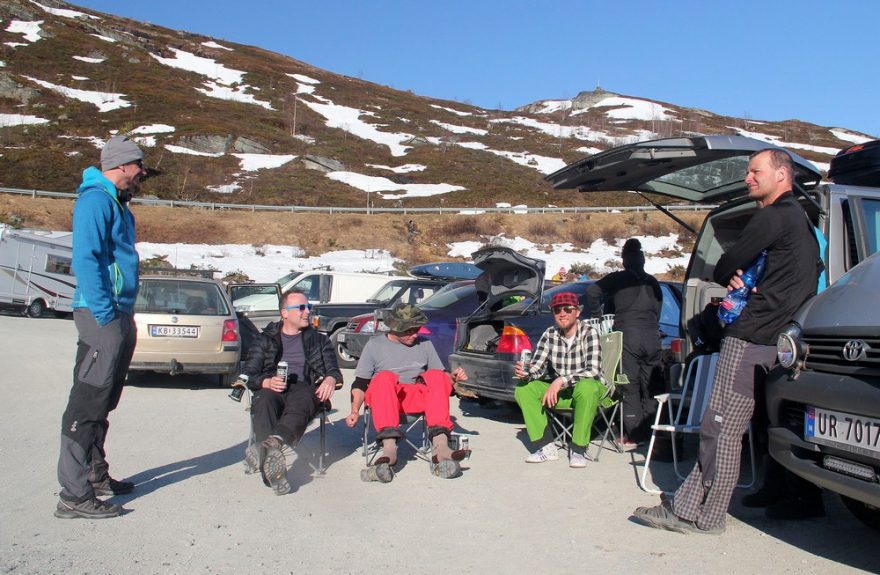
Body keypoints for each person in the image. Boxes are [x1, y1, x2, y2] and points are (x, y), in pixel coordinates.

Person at [633, 148, 821, 534]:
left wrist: (736, 274)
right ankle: (707, 511)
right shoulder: (801, 221)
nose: (748, 178)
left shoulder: (773, 216)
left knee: (719, 427)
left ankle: (694, 513)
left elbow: (724, 264)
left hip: (750, 336)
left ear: (781, 175)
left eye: (755, 171)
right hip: (779, 339)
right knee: (741, 427)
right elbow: (808, 273)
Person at [56, 135, 146, 519]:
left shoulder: (118, 204)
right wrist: (106, 313)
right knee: (88, 400)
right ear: (122, 164)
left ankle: (95, 475)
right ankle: (74, 495)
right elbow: (85, 259)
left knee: (105, 398)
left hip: (118, 312)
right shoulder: (95, 200)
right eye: (139, 165)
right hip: (101, 314)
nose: (142, 173)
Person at [345, 303, 470, 481]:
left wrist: (453, 377)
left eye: (417, 329)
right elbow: (360, 383)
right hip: (385, 399)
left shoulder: (425, 344)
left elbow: (441, 379)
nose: (415, 334)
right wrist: (354, 410)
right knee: (384, 378)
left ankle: (441, 447)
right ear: (395, 328)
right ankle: (389, 450)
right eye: (409, 331)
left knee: (436, 376)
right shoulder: (374, 346)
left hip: (413, 397)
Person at [241, 289, 342, 495]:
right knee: (264, 400)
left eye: (308, 307)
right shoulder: (264, 339)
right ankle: (273, 474)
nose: (307, 312)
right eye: (301, 308)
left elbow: (334, 371)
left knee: (304, 396)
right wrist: (266, 381)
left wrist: (331, 379)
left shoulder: (319, 340)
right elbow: (247, 374)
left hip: (304, 388)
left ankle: (270, 444)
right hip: (274, 387)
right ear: (285, 313)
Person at [514, 291, 604, 468]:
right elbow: (538, 366)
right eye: (557, 310)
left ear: (577, 312)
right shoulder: (549, 334)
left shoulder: (589, 332)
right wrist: (527, 373)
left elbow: (594, 371)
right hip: (563, 392)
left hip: (589, 391)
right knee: (523, 388)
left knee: (587, 387)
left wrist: (561, 380)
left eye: (567, 309)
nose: (562, 314)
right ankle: (546, 447)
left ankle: (578, 449)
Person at [586, 238, 662, 444]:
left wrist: (597, 314)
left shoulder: (618, 278)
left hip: (629, 335)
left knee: (630, 385)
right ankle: (653, 433)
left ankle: (634, 435)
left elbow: (592, 292)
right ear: (643, 259)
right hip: (653, 335)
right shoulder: (652, 281)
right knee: (652, 387)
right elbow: (658, 309)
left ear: (625, 259)